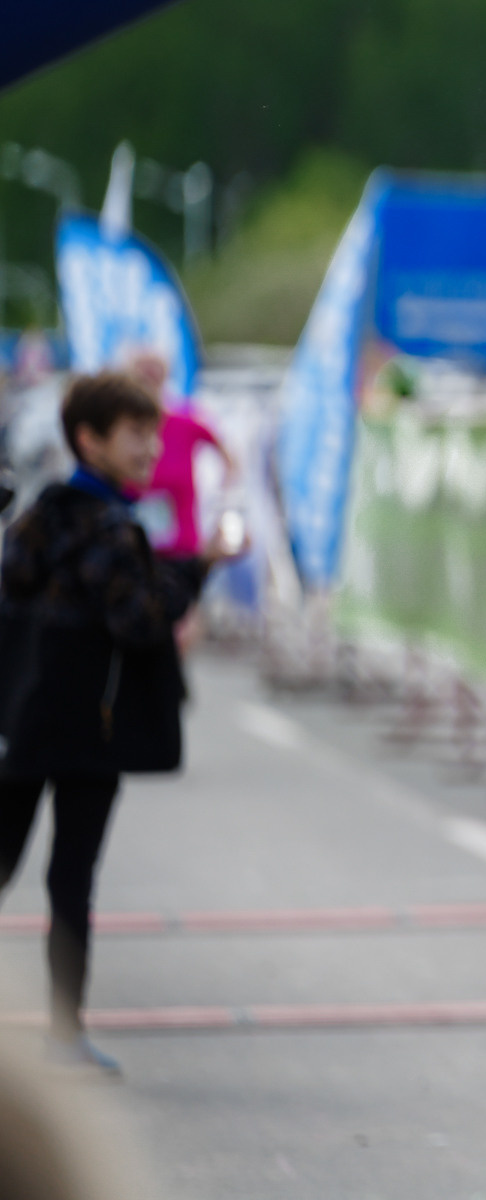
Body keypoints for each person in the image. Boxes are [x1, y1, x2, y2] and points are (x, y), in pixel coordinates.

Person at [0, 373, 236, 1075]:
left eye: (154, 433)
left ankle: (67, 1032)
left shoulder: (41, 514)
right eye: (135, 434)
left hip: (25, 719)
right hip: (85, 731)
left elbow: (15, 588)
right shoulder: (110, 525)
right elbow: (137, 619)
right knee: (72, 883)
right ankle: (64, 1035)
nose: (150, 448)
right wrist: (198, 570)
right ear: (89, 439)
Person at [117, 346, 231, 595]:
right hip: (131, 543)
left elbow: (230, 457)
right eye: (142, 372)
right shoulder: (118, 426)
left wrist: (224, 504)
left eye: (155, 372)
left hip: (181, 547)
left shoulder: (185, 420)